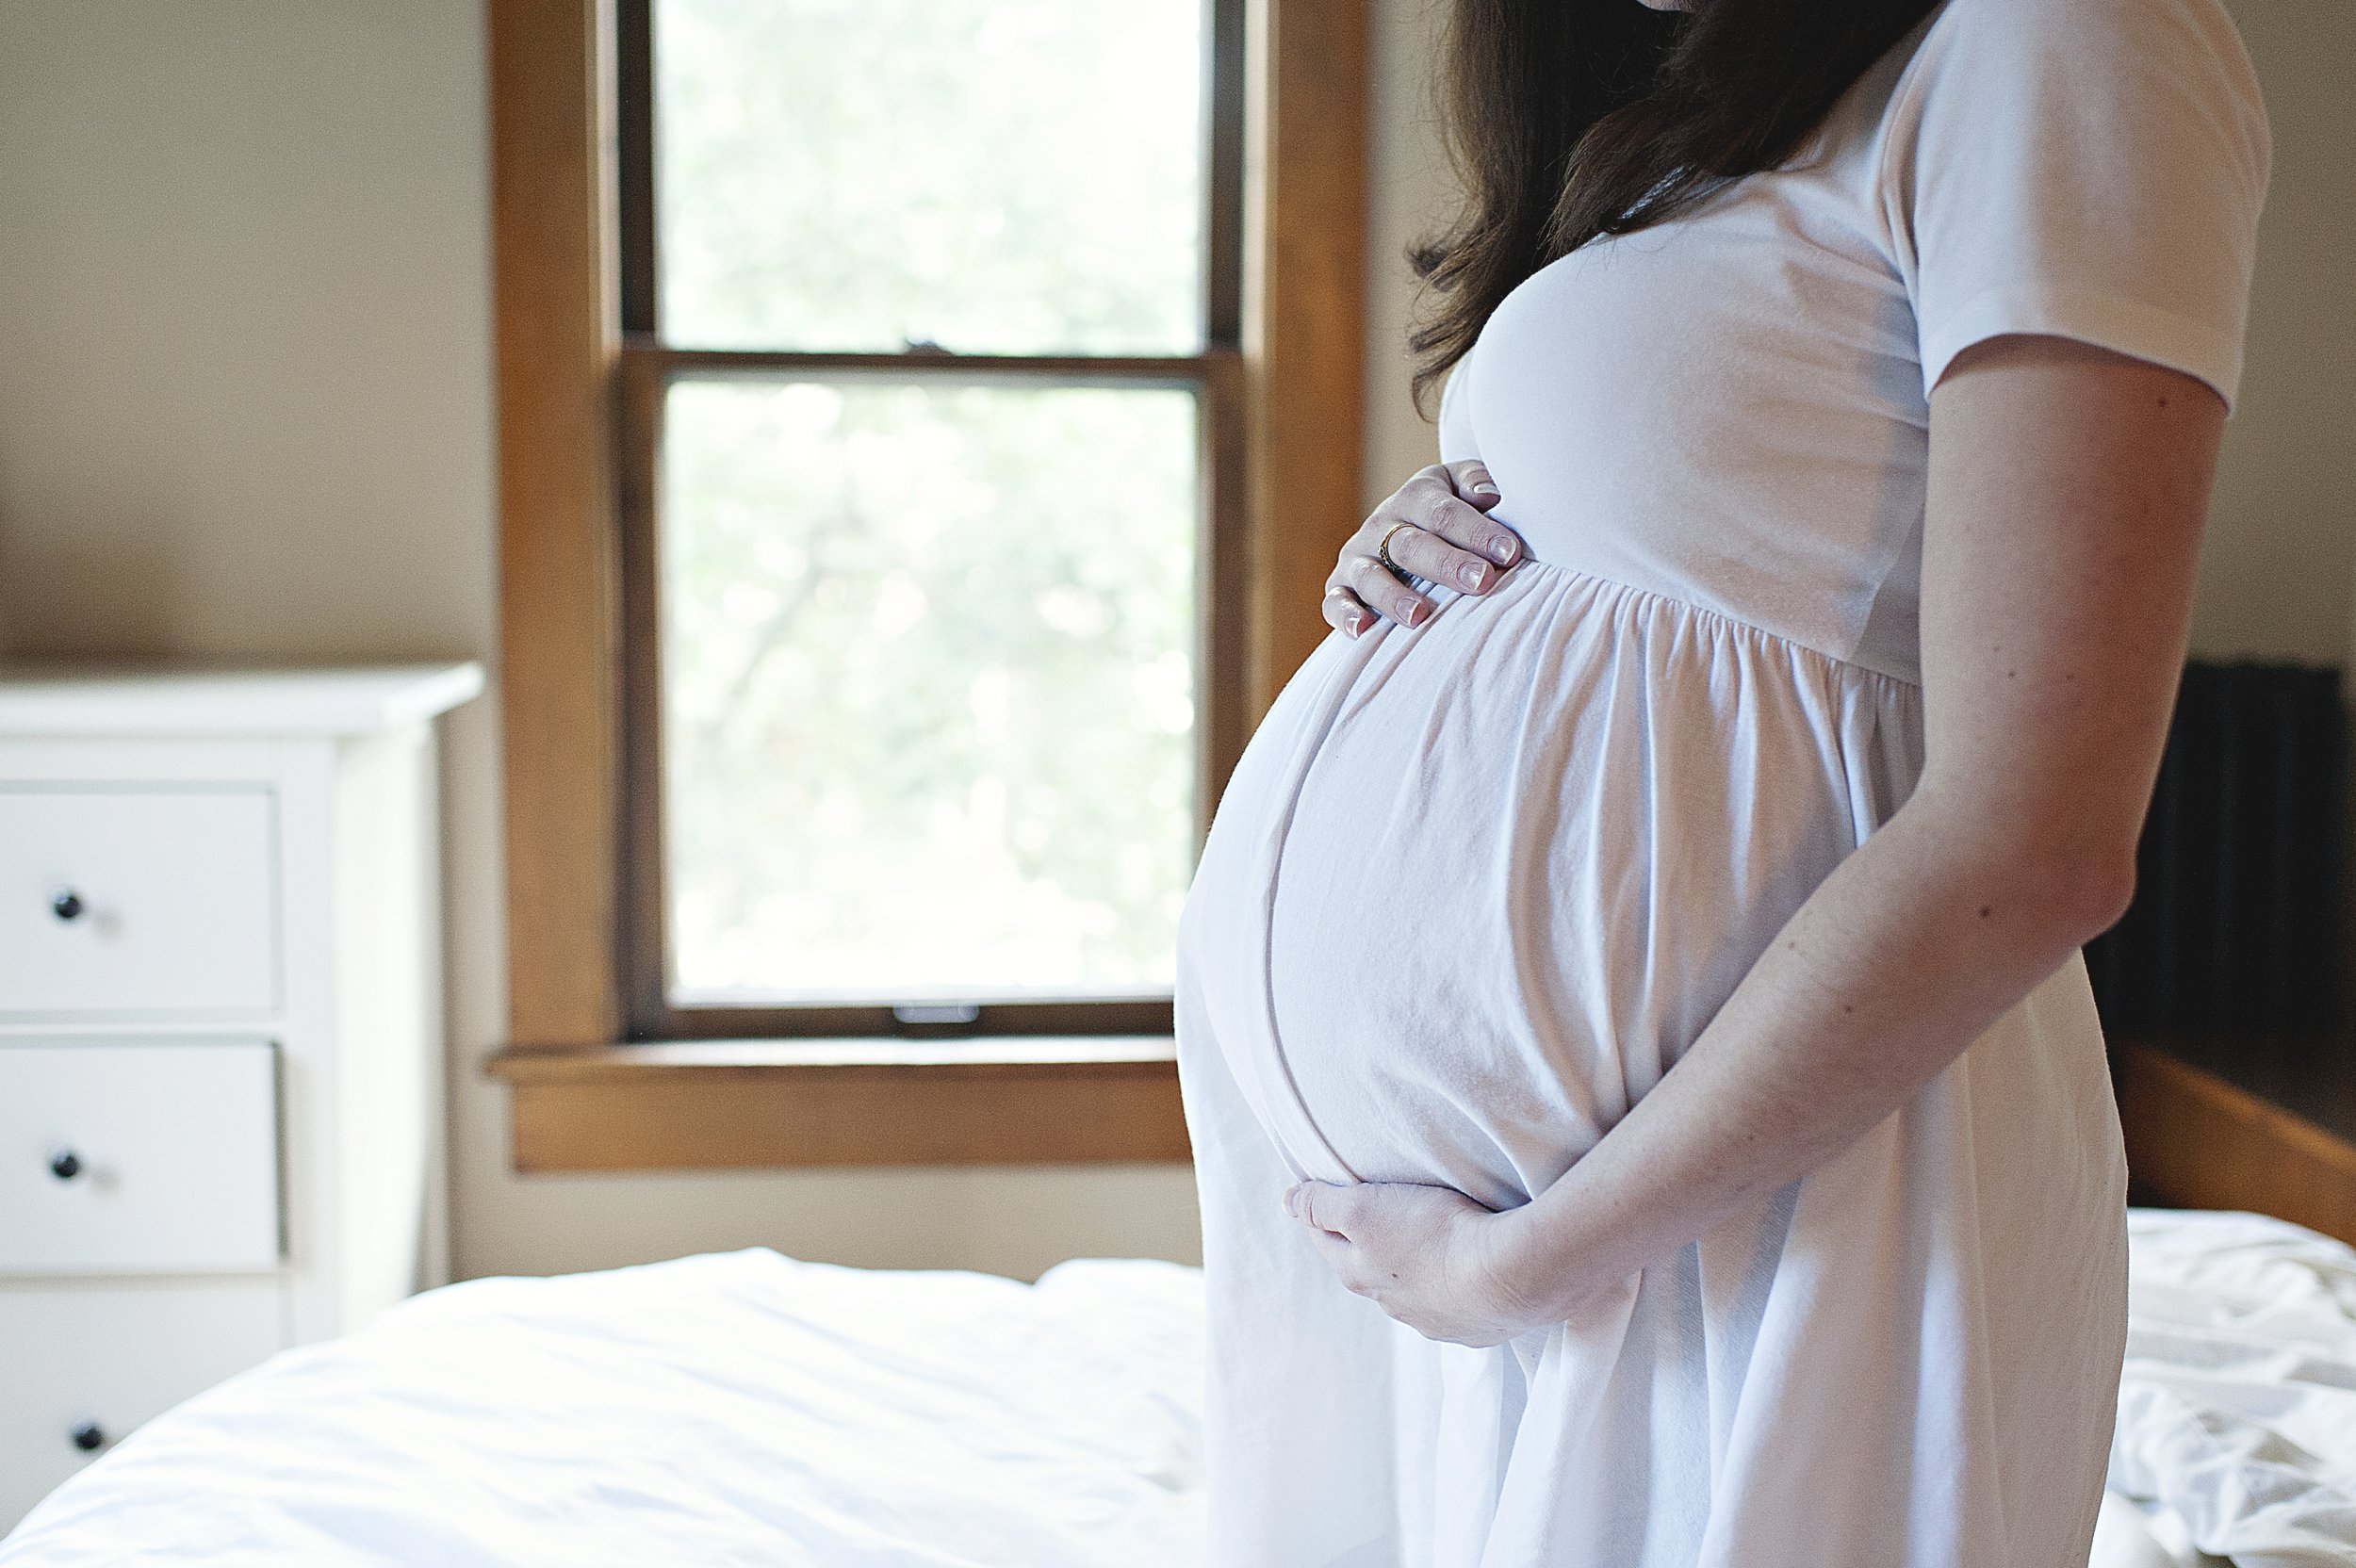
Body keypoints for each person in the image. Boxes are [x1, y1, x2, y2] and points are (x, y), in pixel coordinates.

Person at [1172, 0, 2270, 1561]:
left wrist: (1537, 1261)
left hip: (1749, 1235)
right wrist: (1444, 542)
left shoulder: (2062, 38)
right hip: (1496, 1288)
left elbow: (2037, 841)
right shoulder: (1673, 135)